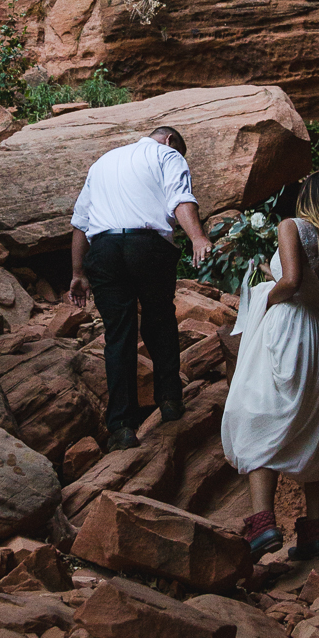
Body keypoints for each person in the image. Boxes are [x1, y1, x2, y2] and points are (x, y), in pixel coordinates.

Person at [220, 169, 319, 563]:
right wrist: (270, 274)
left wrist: (264, 297)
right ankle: (314, 534)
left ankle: (263, 525)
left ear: (306, 196)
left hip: (290, 328)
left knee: (256, 411)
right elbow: (313, 283)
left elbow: (293, 281)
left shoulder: (291, 226)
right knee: (316, 428)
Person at [69, 125, 213, 451]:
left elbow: (80, 222)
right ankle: (170, 399)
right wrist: (197, 237)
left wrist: (78, 272)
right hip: (146, 246)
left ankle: (121, 427)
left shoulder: (102, 162)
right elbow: (180, 197)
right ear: (170, 140)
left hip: (103, 250)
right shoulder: (167, 153)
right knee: (159, 318)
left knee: (119, 334)